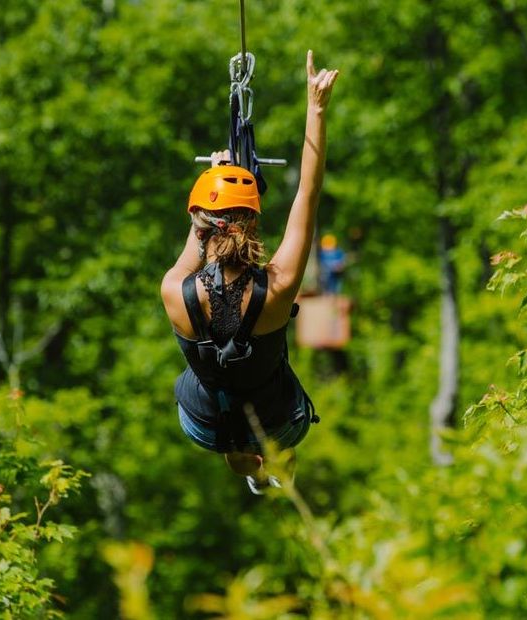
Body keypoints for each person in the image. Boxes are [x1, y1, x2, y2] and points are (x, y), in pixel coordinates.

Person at [161, 51, 339, 494]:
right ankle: (272, 459)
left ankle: (244, 458)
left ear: (199, 222)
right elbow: (307, 195)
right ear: (252, 223)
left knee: (210, 378)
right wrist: (315, 109)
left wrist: (216, 177)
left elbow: (196, 239)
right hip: (276, 420)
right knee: (273, 401)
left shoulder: (174, 291)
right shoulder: (277, 287)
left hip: (204, 423)